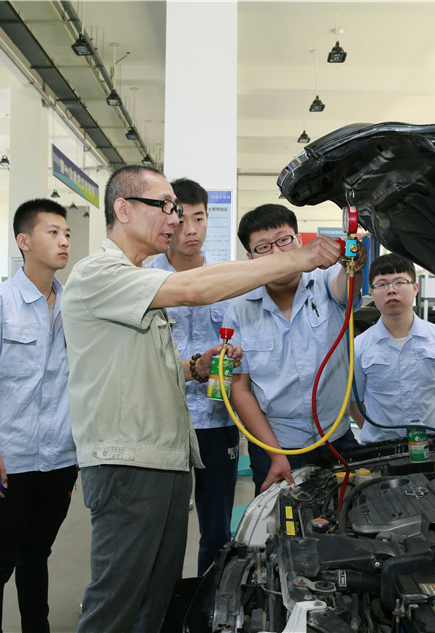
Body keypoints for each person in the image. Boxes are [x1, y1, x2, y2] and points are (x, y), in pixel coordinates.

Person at [62, 165, 344, 633]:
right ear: (123, 209)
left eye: (181, 210)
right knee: (117, 603)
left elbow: (143, 369)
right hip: (128, 463)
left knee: (155, 599)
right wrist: (298, 257)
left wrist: (194, 367)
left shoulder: (132, 281)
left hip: (164, 459)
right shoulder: (99, 273)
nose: (175, 220)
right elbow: (194, 288)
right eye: (165, 207)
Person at [0, 198, 79, 633]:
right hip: (9, 460)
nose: (64, 240)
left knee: (37, 555)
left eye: (66, 233)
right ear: (23, 241)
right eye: (53, 232)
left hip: (59, 461)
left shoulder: (74, 306)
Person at [223, 204, 366, 496]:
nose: (277, 254)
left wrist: (355, 265)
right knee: (280, 531)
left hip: (336, 439)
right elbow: (241, 389)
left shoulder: (326, 282)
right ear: (250, 258)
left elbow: (346, 287)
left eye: (284, 239)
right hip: (276, 447)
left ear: (300, 241)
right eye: (264, 247)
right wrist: (276, 455)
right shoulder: (239, 309)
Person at [146, 178, 236, 576]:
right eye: (182, 219)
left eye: (199, 218)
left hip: (218, 420)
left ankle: (207, 607)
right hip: (164, 421)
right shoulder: (145, 280)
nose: (192, 230)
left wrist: (236, 352)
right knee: (161, 530)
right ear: (168, 220)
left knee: (217, 529)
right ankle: (160, 613)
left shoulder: (226, 279)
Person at [351, 253, 435, 443]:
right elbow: (355, 402)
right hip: (381, 449)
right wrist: (375, 433)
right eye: (382, 284)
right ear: (372, 292)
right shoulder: (359, 346)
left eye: (400, 282)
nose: (391, 290)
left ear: (415, 288)